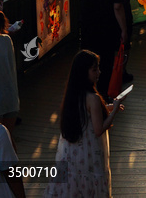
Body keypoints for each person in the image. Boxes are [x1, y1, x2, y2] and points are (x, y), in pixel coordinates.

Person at [44, 50, 124, 198]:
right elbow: (98, 129)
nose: (98, 72)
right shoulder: (92, 97)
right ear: (84, 72)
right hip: (89, 153)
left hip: (73, 152)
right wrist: (114, 112)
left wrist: (107, 108)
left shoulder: (73, 93)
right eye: (94, 69)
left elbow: (86, 115)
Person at [70, 0, 127, 98]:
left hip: (88, 26)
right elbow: (118, 7)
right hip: (109, 28)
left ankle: (87, 92)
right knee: (106, 61)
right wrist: (123, 29)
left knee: (87, 59)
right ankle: (103, 94)